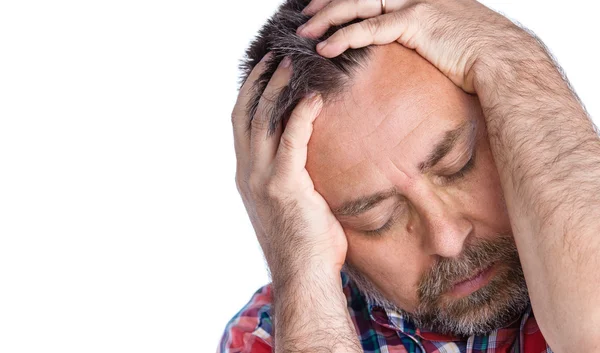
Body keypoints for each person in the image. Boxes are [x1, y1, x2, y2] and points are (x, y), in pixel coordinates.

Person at [220, 0, 600, 352]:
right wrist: (301, 276)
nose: (448, 240)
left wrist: (509, 58)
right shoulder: (268, 335)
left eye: (457, 166)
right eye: (377, 220)